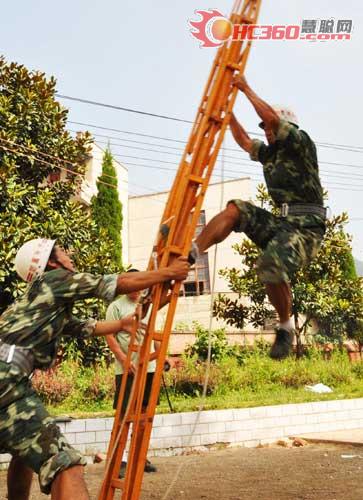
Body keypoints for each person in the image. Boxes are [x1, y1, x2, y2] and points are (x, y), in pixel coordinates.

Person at [0, 238, 189, 500]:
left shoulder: (40, 304)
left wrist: (122, 324)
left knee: (24, 452)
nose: (70, 257)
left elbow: (85, 328)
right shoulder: (55, 280)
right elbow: (112, 283)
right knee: (65, 463)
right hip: (7, 384)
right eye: (64, 253)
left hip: (7, 382)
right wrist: (168, 272)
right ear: (51, 262)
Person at [189, 75, 326, 360]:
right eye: (263, 128)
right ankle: (192, 252)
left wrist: (244, 88)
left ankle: (286, 326)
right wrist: (228, 115)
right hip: (283, 224)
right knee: (236, 209)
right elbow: (242, 140)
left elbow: (274, 121)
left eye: (269, 126)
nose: (266, 131)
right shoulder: (269, 154)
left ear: (287, 126)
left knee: (270, 264)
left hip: (308, 228)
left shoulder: (301, 144)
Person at [105, 269, 159, 478]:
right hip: (127, 369)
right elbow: (109, 335)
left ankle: (140, 458)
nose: (136, 289)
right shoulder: (116, 307)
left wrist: (162, 358)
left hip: (148, 368)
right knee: (124, 416)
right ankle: (117, 462)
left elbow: (154, 334)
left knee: (144, 416)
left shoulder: (150, 306)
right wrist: (122, 359)